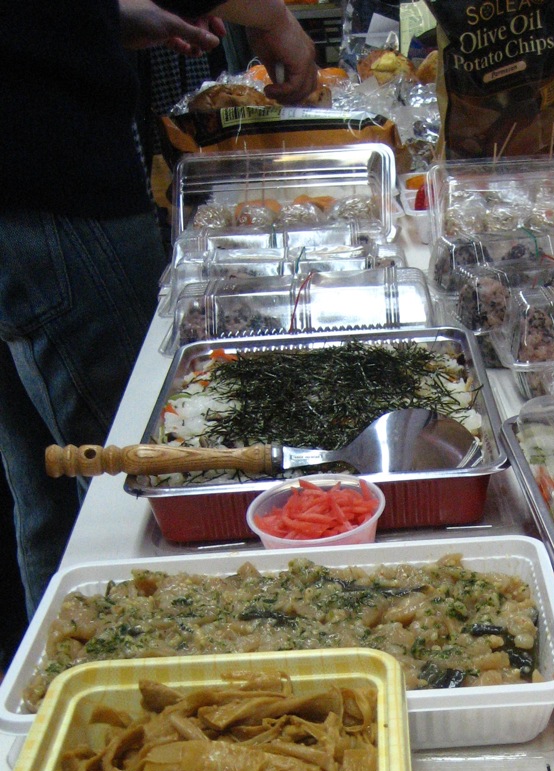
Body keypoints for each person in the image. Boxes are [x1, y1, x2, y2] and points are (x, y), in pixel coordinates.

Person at [0, 1, 317, 637]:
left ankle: (46, 703)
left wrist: (101, 19)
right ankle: (118, 675)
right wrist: (271, 15)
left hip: (23, 183)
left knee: (47, 492)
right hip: (54, 187)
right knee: (125, 507)